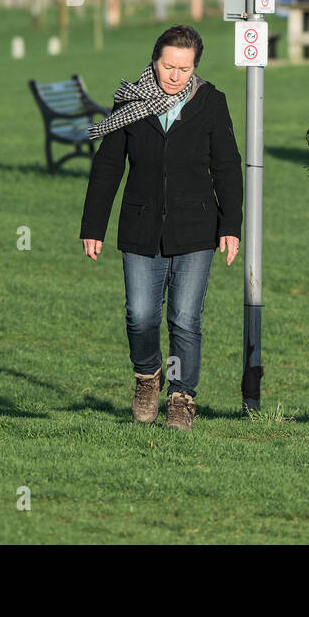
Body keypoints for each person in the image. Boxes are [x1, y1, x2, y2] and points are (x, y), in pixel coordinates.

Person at [79, 26, 242, 433]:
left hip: (196, 228)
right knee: (141, 315)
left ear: (195, 68)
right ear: (154, 61)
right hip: (140, 227)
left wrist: (231, 225)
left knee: (186, 318)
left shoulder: (211, 102)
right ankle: (147, 376)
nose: (174, 76)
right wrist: (93, 225)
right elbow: (108, 167)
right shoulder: (131, 102)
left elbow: (226, 166)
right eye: (168, 66)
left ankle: (182, 397)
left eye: (184, 69)